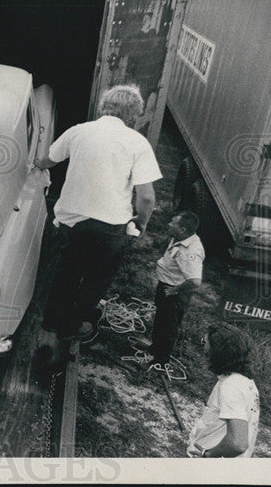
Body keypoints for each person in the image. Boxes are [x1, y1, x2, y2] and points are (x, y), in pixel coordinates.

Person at [34, 84, 161, 349]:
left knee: (67, 271)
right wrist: (142, 222)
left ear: (104, 107)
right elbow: (147, 197)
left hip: (73, 223)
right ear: (134, 115)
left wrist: (34, 163)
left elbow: (47, 161)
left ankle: (51, 321)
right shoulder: (138, 143)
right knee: (96, 277)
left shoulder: (78, 131)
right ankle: (74, 325)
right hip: (110, 228)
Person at [187, 323, 260, 457]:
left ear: (217, 352)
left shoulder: (231, 387)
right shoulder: (245, 381)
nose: (202, 348)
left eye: (204, 343)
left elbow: (238, 443)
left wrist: (208, 454)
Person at [147, 210, 204, 375]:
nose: (169, 225)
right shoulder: (180, 238)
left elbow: (194, 281)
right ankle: (154, 349)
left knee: (168, 327)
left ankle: (160, 361)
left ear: (183, 230)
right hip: (166, 287)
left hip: (175, 293)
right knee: (161, 320)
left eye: (173, 223)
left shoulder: (190, 251)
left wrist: (174, 290)